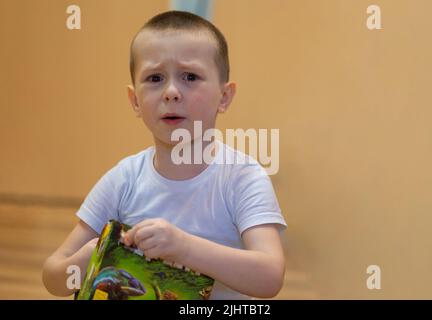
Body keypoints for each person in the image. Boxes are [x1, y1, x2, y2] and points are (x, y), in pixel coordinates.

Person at [42, 10, 287, 299]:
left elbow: (270, 276)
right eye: (155, 78)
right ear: (135, 101)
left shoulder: (243, 177)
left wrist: (184, 248)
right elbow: (54, 276)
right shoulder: (123, 180)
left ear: (224, 97)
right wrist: (89, 256)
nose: (171, 92)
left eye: (190, 76)